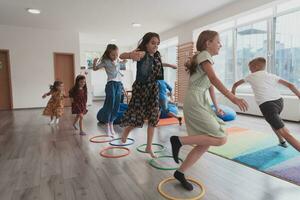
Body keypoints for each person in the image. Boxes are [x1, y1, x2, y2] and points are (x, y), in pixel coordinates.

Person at [170, 30, 248, 191]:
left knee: (204, 143)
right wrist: (233, 98)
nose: (221, 44)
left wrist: (217, 106)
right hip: (196, 100)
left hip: (200, 100)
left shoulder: (205, 58)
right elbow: (213, 79)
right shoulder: (204, 55)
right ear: (208, 43)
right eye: (218, 41)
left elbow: (210, 86)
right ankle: (178, 141)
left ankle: (180, 172)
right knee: (220, 138)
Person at [120, 32, 176, 158]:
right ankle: (126, 131)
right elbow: (121, 55)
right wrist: (130, 54)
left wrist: (170, 65)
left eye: (157, 44)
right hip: (141, 89)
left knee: (154, 116)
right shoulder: (142, 53)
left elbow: (160, 64)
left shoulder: (156, 55)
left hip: (153, 88)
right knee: (138, 116)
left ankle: (149, 147)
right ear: (146, 43)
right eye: (153, 43)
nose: (155, 46)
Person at [232, 57, 300, 150]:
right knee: (273, 123)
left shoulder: (251, 76)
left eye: (250, 68)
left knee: (285, 132)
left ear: (255, 67)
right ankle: (281, 141)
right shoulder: (271, 75)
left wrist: (233, 93)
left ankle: (285, 140)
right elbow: (291, 85)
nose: (249, 70)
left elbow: (235, 84)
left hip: (267, 105)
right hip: (279, 102)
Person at [93, 44, 126, 136]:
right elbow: (95, 68)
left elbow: (121, 63)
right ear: (108, 54)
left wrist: (124, 61)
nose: (115, 56)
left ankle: (111, 124)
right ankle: (107, 125)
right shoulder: (105, 61)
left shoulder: (118, 60)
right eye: (113, 55)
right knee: (110, 104)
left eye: (116, 54)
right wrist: (94, 62)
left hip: (119, 84)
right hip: (111, 84)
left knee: (116, 105)